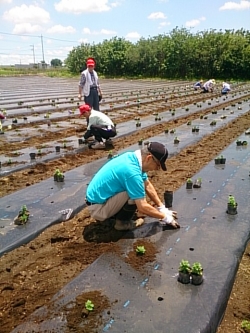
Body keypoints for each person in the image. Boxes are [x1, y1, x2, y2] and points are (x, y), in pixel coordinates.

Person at [85, 142, 179, 231]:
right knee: (135, 194)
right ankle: (122, 224)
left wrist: (161, 207)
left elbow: (147, 184)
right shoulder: (132, 172)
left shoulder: (132, 158)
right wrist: (165, 217)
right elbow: (142, 206)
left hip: (98, 200)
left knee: (138, 186)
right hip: (98, 208)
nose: (156, 169)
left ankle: (114, 215)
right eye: (157, 165)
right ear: (149, 158)